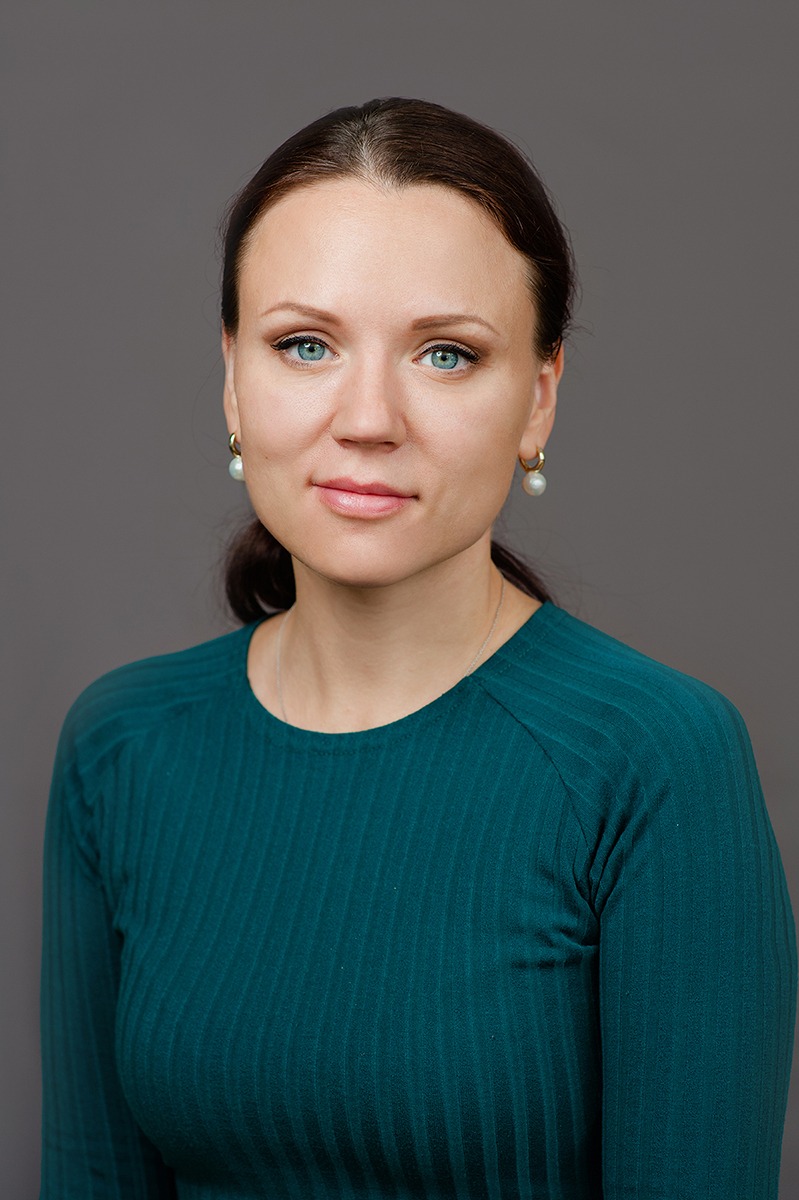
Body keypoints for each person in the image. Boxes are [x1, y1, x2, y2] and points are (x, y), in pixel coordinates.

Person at [41, 97, 797, 1199]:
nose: (367, 418)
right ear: (232, 378)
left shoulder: (654, 760)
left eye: (446, 354)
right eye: (304, 345)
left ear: (537, 400)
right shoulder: (122, 749)